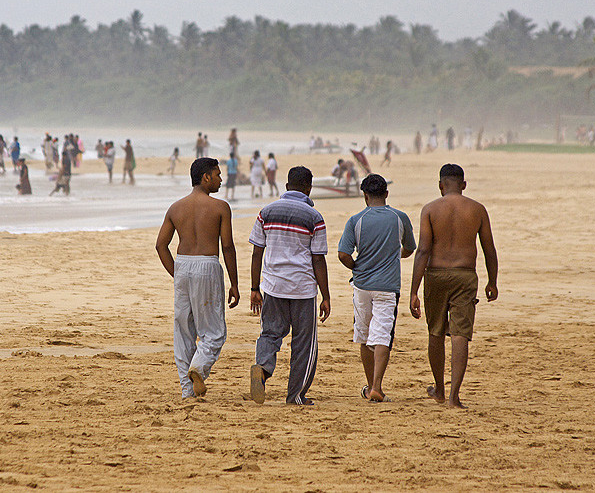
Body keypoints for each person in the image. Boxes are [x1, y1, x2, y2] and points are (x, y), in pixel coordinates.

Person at [409, 164, 498, 409]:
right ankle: (454, 397)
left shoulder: (430, 209)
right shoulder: (477, 209)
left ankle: (438, 388)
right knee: (460, 335)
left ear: (440, 185)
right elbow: (488, 248)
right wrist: (493, 281)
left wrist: (414, 291)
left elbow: (423, 250)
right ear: (464, 185)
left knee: (436, 332)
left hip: (435, 275)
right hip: (465, 275)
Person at [155, 157, 240, 399]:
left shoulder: (175, 208)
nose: (221, 179)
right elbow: (228, 248)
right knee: (214, 330)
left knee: (183, 330)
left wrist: (177, 273)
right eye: (217, 174)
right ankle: (199, 367)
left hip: (182, 265)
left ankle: (187, 390)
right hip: (207, 265)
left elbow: (161, 245)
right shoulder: (220, 207)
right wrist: (234, 283)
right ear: (206, 177)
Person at [249, 166, 330, 405]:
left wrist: (255, 288)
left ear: (286, 187)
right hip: (303, 289)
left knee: (270, 333)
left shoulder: (266, 212)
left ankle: (262, 369)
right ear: (309, 188)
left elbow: (257, 252)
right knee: (304, 343)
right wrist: (325, 295)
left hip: (273, 285)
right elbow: (318, 258)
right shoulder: (314, 217)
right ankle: (295, 395)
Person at [338, 174, 415, 402]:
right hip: (387, 285)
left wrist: (356, 267)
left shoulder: (356, 220)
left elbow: (343, 254)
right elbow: (409, 248)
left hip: (362, 285)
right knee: (382, 334)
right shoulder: (399, 218)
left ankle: (370, 383)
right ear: (387, 194)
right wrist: (394, 256)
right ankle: (377, 386)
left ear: (365, 196)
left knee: (363, 334)